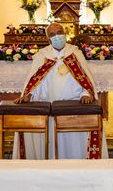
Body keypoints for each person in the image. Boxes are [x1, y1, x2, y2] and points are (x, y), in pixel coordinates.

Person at [12, 23, 107, 160]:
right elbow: (35, 81)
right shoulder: (42, 55)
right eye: (52, 34)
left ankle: (77, 168)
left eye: (59, 32)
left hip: (73, 108)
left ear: (65, 33)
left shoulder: (75, 52)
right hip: (48, 108)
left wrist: (86, 94)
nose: (57, 36)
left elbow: (85, 78)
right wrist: (29, 95)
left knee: (72, 145)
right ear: (48, 39)